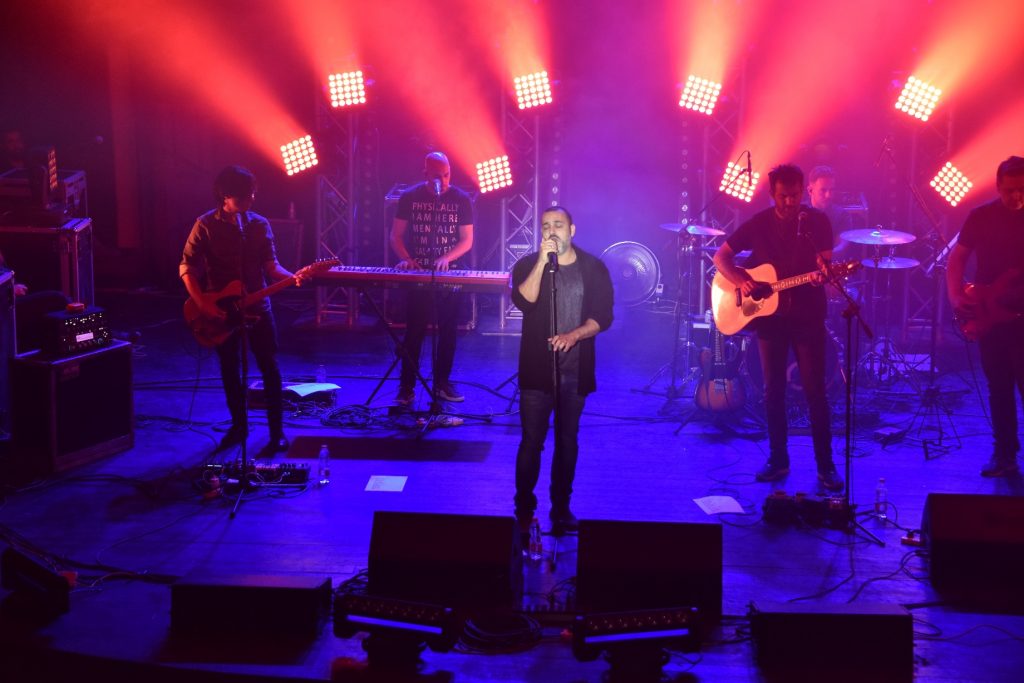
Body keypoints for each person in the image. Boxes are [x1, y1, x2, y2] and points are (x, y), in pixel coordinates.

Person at [713, 164, 843, 491]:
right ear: (772, 194)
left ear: (803, 192)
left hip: (808, 316)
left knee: (815, 392)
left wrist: (824, 275)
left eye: (795, 195)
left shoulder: (817, 222)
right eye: (783, 196)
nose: (789, 202)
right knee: (773, 391)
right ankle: (778, 459)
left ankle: (825, 465)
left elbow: (825, 264)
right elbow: (721, 257)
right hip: (770, 320)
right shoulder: (759, 223)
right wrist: (742, 280)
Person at [180, 165, 304, 458]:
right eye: (244, 196)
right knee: (229, 368)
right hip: (221, 310)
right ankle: (239, 427)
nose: (250, 200)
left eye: (252, 194)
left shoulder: (259, 225)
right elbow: (187, 267)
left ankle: (276, 433)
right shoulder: (204, 225)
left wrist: (293, 276)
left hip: (257, 306)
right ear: (225, 196)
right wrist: (202, 304)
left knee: (269, 366)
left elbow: (271, 266)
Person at [511, 205, 614, 534]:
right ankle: (523, 508)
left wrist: (574, 335)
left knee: (567, 441)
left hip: (575, 370)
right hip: (536, 369)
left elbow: (603, 316)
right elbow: (523, 302)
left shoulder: (593, 268)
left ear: (572, 230)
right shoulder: (527, 265)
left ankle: (561, 508)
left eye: (558, 224)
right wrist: (542, 262)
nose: (551, 231)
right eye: (545, 226)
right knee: (531, 442)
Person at [946, 155, 1024, 477]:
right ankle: (1004, 454)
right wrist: (955, 295)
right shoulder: (981, 216)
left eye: (1022, 189)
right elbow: (957, 259)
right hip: (991, 314)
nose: (1016, 196)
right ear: (997, 186)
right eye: (1009, 190)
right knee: (999, 386)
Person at [390, 151, 474, 405]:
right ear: (425, 174)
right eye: (437, 176)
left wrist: (447, 257)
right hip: (419, 273)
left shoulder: (461, 199)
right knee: (414, 331)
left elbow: (467, 240)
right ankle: (407, 387)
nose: (444, 181)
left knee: (448, 332)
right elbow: (396, 236)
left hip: (450, 274)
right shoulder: (409, 197)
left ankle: (441, 383)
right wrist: (406, 258)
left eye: (447, 175)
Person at [807, 165, 852, 255]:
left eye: (831, 190)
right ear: (810, 190)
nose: (828, 195)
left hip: (829, 262)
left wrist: (821, 257)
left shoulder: (842, 215)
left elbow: (842, 246)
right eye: (823, 190)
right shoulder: (799, 213)